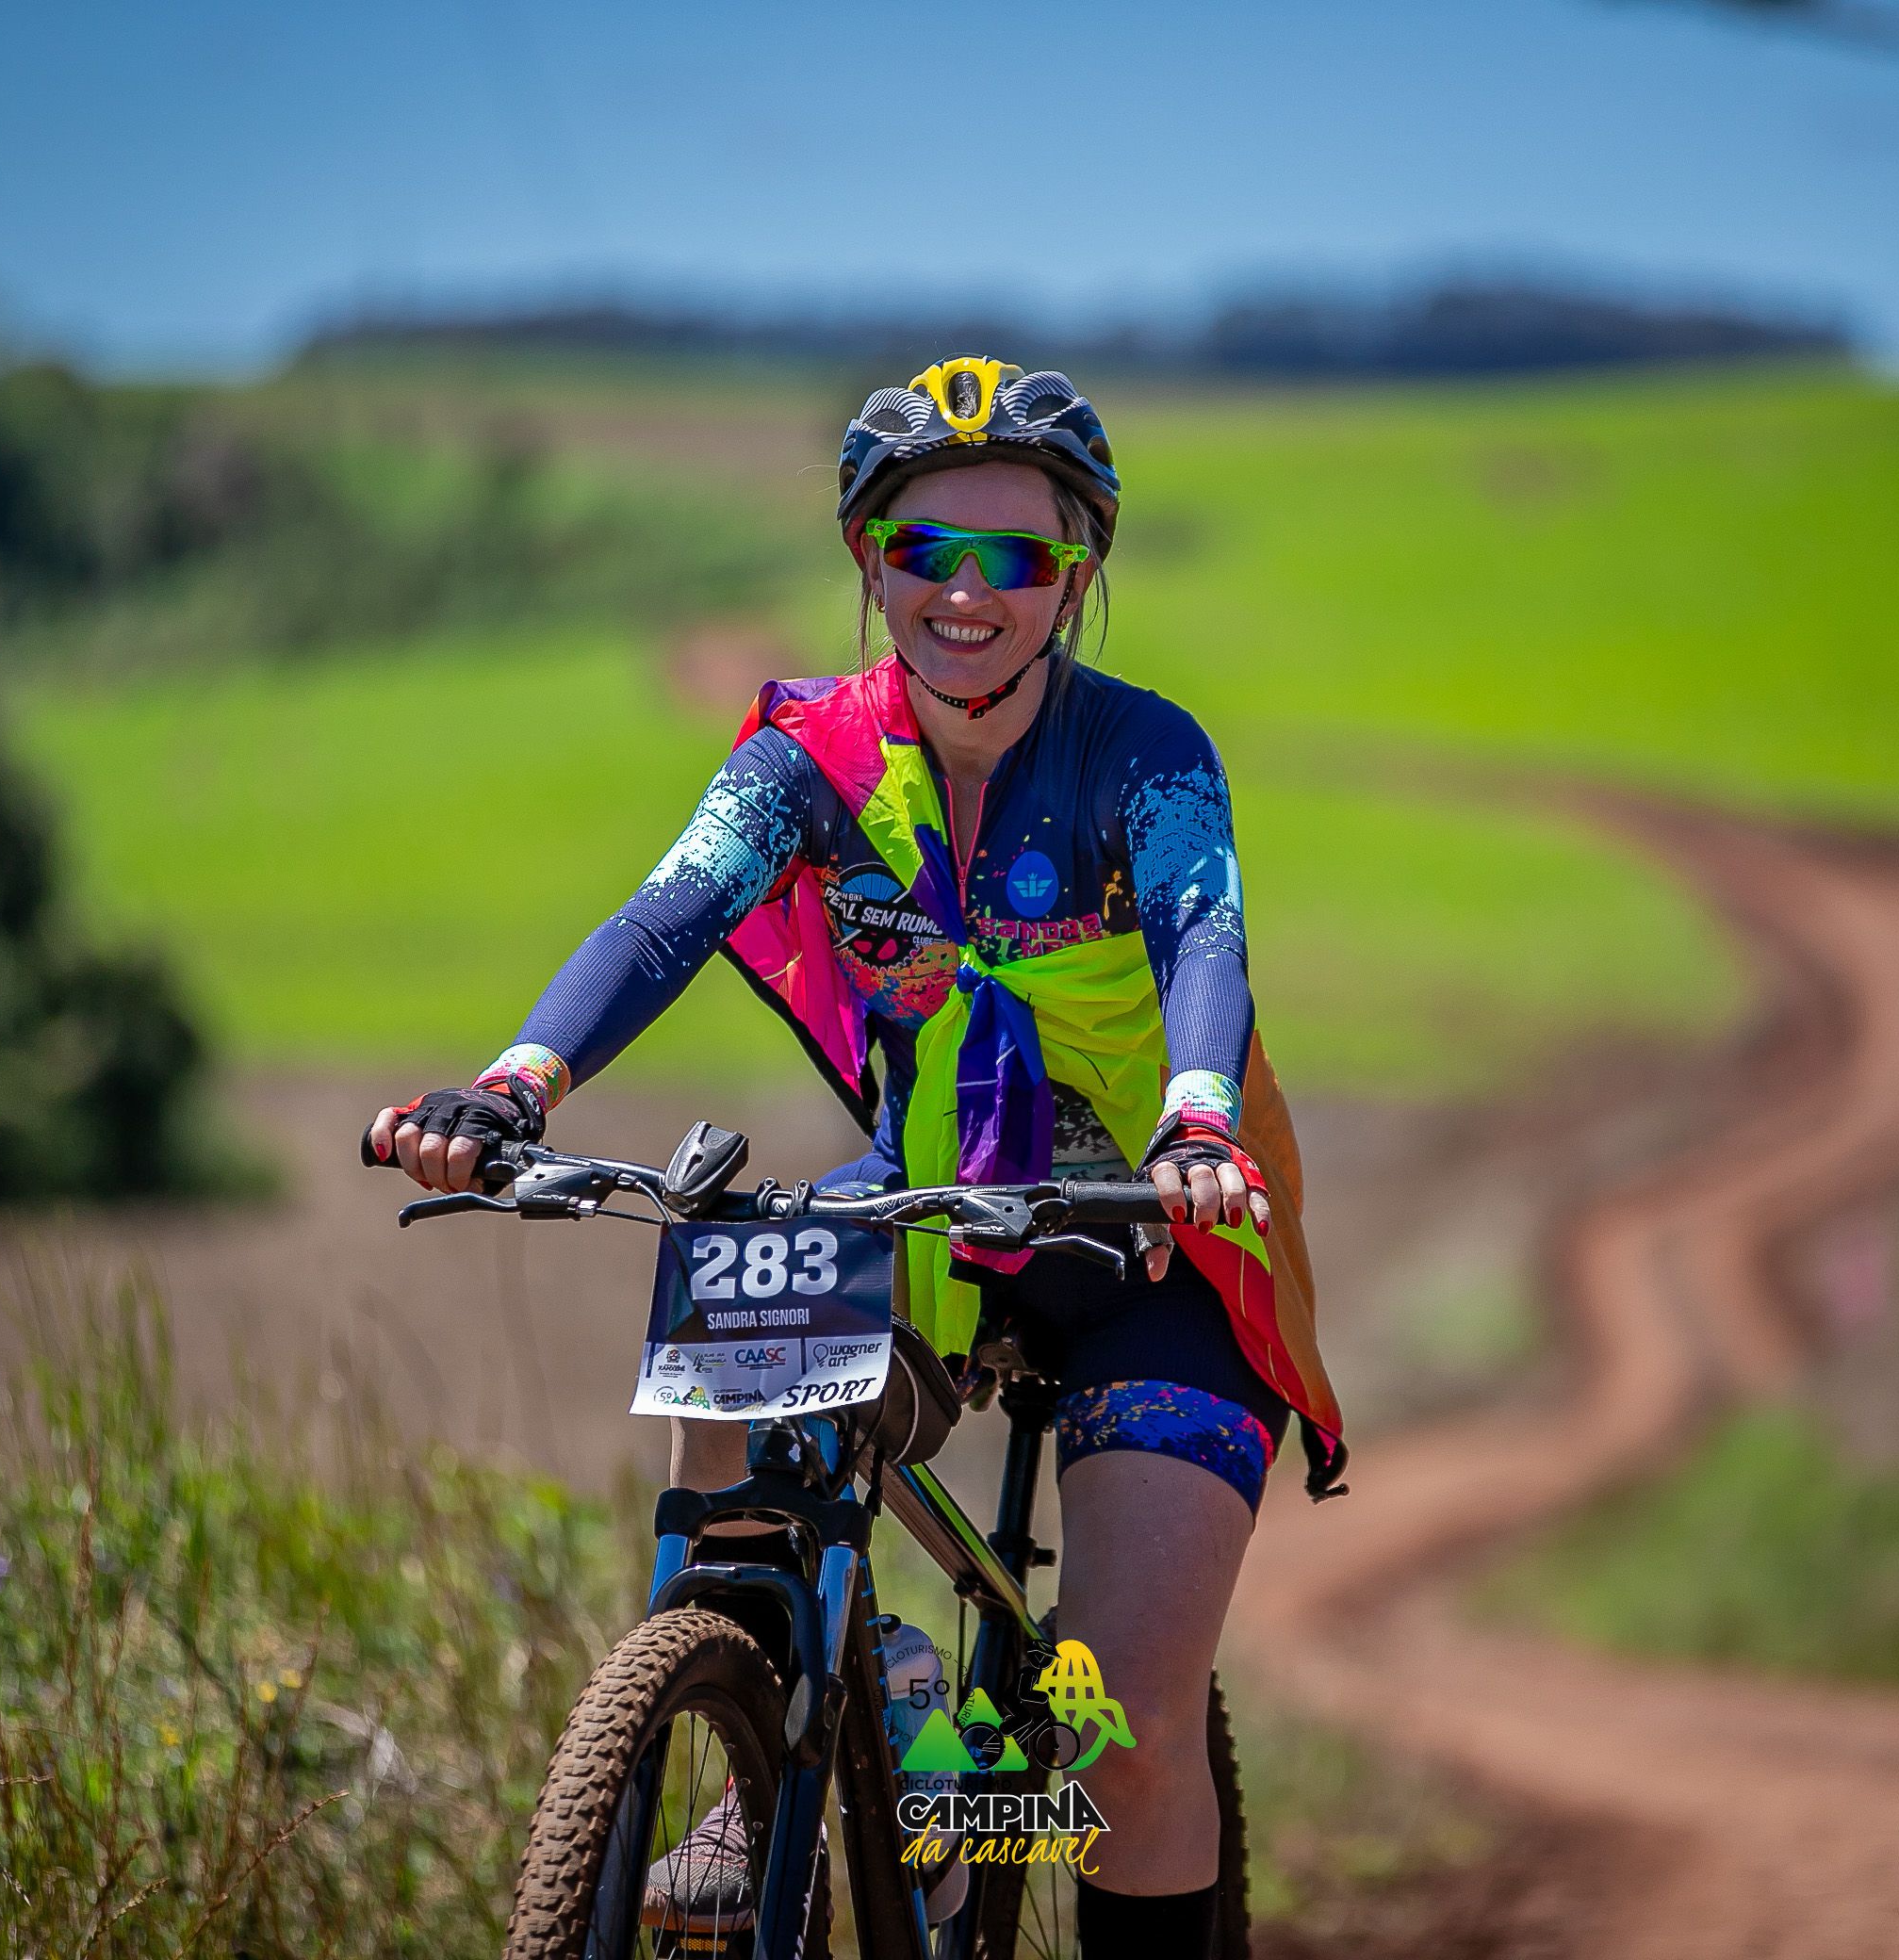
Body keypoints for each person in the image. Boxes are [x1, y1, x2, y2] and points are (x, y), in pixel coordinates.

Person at [368, 357, 1344, 1959]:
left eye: (1015, 556)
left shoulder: (1147, 755)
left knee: (1125, 1734)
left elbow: (1201, 935)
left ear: (1075, 576)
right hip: (933, 1207)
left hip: (1156, 1229)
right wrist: (513, 1088)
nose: (967, 592)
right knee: (733, 1299)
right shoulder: (805, 761)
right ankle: (781, 1712)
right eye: (924, 551)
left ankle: (1001, 1790)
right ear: (868, 563)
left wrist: (1195, 1117)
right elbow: (665, 918)